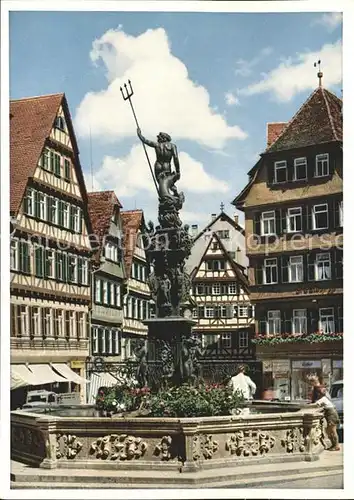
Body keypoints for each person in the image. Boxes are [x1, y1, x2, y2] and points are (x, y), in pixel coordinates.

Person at [309, 384, 340, 451]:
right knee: (329, 431)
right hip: (332, 414)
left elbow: (314, 405)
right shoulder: (324, 398)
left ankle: (336, 446)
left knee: (332, 431)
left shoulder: (322, 399)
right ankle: (334, 445)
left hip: (332, 415)